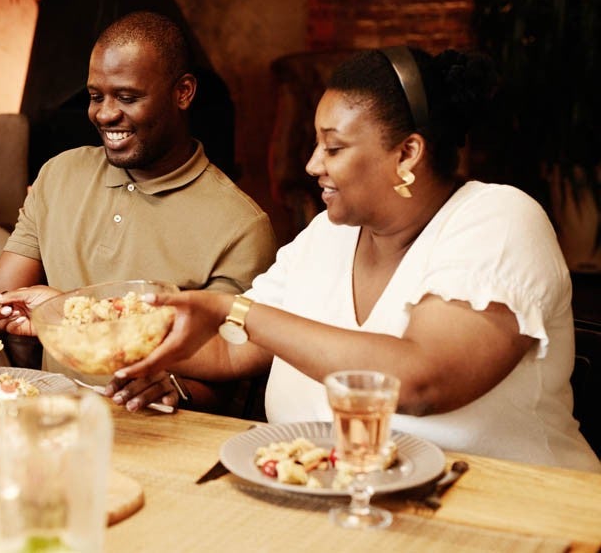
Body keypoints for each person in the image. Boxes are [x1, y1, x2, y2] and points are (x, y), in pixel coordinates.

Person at [117, 47, 601, 471]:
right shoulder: (326, 235)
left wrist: (232, 308)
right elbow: (230, 346)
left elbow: (419, 383)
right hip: (333, 504)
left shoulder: (499, 220)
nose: (312, 164)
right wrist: (120, 332)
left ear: (407, 153)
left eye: (334, 147)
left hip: (509, 516)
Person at [0, 11, 277, 412]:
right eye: (96, 96)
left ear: (183, 92)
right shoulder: (60, 175)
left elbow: (227, 375)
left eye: (128, 97)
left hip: (157, 433)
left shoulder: (239, 225)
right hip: (53, 423)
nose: (105, 113)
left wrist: (175, 388)